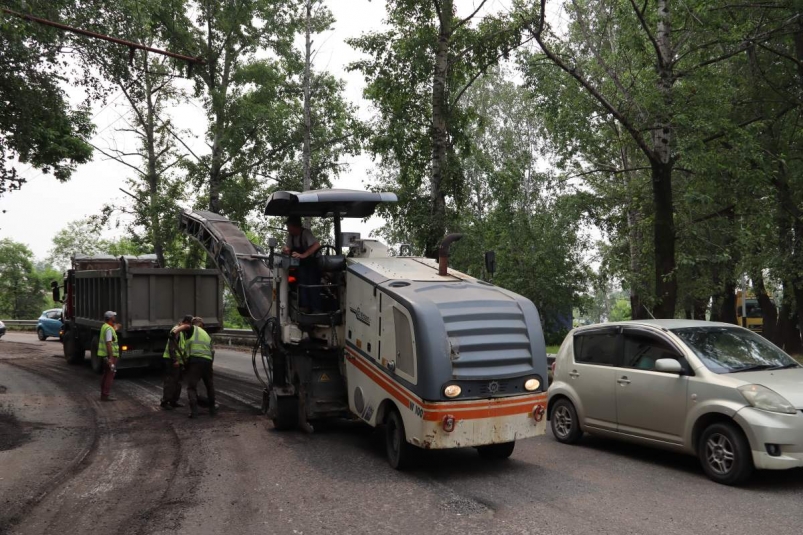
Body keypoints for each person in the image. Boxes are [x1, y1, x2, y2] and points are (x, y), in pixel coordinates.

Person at [281, 215, 322, 312]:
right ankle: (304, 307)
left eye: (289, 226)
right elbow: (288, 248)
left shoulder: (306, 233)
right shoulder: (291, 236)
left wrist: (304, 255)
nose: (288, 229)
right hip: (301, 266)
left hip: (313, 264)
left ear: (296, 226)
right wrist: (286, 250)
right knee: (300, 282)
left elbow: (317, 245)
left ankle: (317, 311)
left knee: (312, 286)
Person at [180, 317, 216, 419]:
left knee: (192, 387)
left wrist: (175, 331)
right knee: (209, 385)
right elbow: (212, 351)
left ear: (193, 324)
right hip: (207, 361)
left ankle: (194, 412)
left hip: (195, 361)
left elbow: (186, 327)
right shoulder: (207, 335)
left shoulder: (192, 330)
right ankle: (212, 409)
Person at [160, 315, 192, 410]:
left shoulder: (183, 332)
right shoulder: (176, 330)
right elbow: (171, 346)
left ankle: (174, 401)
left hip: (179, 361)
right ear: (186, 322)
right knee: (171, 381)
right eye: (190, 324)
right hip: (172, 360)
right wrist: (175, 360)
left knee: (178, 382)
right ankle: (165, 402)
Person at [98, 310, 119, 402]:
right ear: (111, 318)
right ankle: (105, 395)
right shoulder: (109, 329)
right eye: (114, 316)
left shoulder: (105, 327)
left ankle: (103, 394)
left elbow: (110, 334)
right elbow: (109, 343)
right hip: (110, 356)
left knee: (106, 374)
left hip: (104, 356)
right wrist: (111, 358)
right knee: (110, 375)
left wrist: (116, 328)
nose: (115, 317)